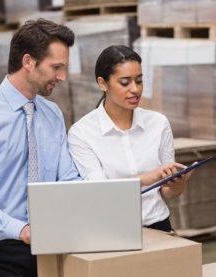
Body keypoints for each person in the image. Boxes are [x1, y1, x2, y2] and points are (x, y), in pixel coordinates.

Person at [0, 18, 80, 277]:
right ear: (28, 62)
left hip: (49, 245)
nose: (62, 77)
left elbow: (67, 177)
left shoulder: (52, 114)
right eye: (56, 67)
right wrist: (20, 229)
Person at [68, 45, 192, 232]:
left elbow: (167, 191)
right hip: (112, 230)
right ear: (102, 83)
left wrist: (177, 183)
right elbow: (100, 191)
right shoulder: (82, 133)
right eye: (125, 82)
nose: (135, 89)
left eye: (139, 81)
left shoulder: (158, 124)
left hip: (159, 225)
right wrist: (148, 177)